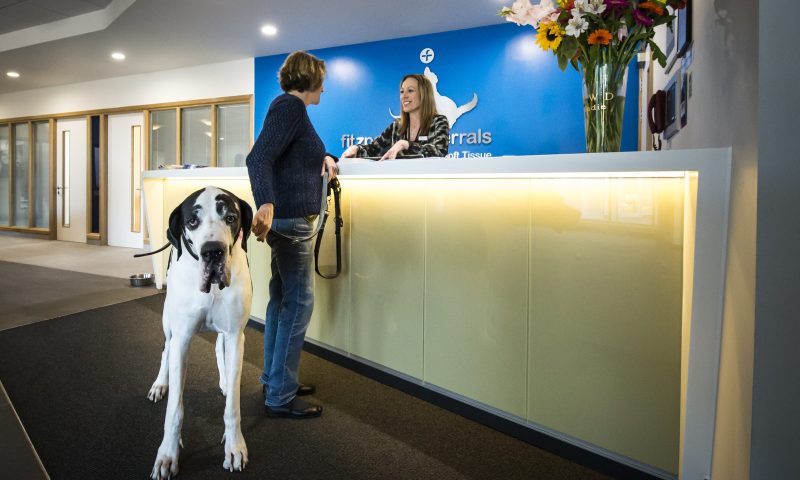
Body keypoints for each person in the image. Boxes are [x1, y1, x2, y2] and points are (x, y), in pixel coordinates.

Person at [246, 51, 338, 419]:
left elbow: (293, 155)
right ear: (311, 78)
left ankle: (274, 379)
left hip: (288, 222)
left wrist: (325, 157)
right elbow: (258, 158)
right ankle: (280, 394)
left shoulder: (289, 110)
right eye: (322, 79)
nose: (325, 86)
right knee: (297, 305)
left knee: (282, 302)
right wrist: (265, 203)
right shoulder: (290, 108)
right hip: (291, 222)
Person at [341, 74, 450, 160]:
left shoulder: (439, 122)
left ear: (424, 94)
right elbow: (372, 149)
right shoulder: (396, 126)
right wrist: (357, 149)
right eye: (402, 91)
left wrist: (406, 144)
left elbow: (439, 151)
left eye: (410, 90)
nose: (404, 96)